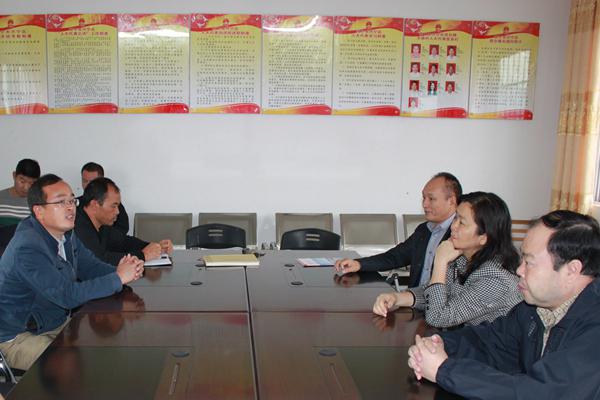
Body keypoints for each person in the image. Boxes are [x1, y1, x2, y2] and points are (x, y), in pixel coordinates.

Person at [407, 210, 600, 399]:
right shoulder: (532, 310)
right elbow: (490, 343)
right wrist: (437, 344)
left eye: (529, 262)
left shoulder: (594, 331)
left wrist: (443, 370)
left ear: (571, 270)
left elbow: (539, 392)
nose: (519, 270)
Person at [0, 174, 143, 370]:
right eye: (61, 202)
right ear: (39, 211)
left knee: (108, 351)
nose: (70, 207)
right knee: (72, 367)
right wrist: (118, 278)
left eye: (71, 200)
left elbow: (90, 267)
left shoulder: (66, 233)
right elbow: (66, 295)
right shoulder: (28, 247)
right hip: (17, 336)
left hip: (52, 322)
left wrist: (125, 271)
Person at [373, 192, 522, 328]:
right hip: (466, 340)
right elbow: (434, 295)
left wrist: (440, 261)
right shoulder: (464, 258)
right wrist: (396, 298)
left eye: (462, 222)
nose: (453, 226)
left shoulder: (495, 279)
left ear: (484, 237)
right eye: (456, 217)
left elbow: (438, 317)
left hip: (488, 348)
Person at [335, 173, 461, 288]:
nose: (424, 204)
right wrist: (359, 264)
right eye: (423, 198)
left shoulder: (461, 236)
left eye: (431, 199)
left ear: (451, 201)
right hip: (415, 300)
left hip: (441, 304)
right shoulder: (424, 230)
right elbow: (395, 257)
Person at [75, 177, 172, 266]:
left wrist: (153, 247)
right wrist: (143, 255)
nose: (117, 212)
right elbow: (99, 260)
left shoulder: (101, 225)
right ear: (95, 205)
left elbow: (123, 242)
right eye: (113, 206)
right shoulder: (78, 227)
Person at [81, 162, 129, 234]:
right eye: (85, 181)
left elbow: (123, 229)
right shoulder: (75, 204)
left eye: (92, 182)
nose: (88, 185)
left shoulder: (115, 205)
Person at [0, 158, 40, 226]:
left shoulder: (39, 202)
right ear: (14, 175)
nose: (26, 187)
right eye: (22, 181)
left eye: (31, 183)